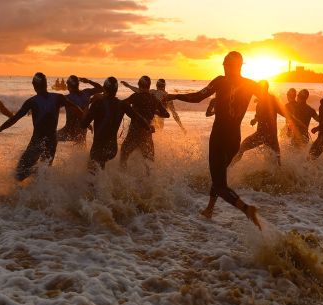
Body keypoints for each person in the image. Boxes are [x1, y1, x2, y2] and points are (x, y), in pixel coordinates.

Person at [167, 51, 262, 228]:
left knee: (219, 184)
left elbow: (196, 97)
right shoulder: (251, 84)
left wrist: (174, 96)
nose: (224, 67)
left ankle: (247, 209)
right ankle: (209, 209)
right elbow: (269, 100)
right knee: (219, 177)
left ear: (231, 66)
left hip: (219, 137)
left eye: (225, 64)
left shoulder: (220, 81)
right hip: (234, 139)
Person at [0, 72, 84, 181]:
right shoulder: (58, 97)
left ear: (34, 85)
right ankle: (44, 194)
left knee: (19, 173)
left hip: (37, 140)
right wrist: (85, 124)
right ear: (45, 84)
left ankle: (19, 195)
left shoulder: (32, 102)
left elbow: (15, 118)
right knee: (44, 172)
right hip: (52, 141)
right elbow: (77, 109)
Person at [81, 77, 137, 171]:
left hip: (98, 148)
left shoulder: (98, 103)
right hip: (112, 149)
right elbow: (137, 118)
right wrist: (148, 126)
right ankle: (109, 184)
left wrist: (87, 104)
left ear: (104, 88)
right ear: (116, 90)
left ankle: (102, 185)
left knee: (92, 176)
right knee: (100, 169)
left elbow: (83, 124)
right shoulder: (122, 104)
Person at [119, 76, 170, 170]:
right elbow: (166, 114)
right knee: (149, 164)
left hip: (133, 133)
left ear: (139, 85)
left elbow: (121, 104)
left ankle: (122, 179)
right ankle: (149, 183)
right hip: (147, 134)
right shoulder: (154, 99)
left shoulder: (136, 97)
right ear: (149, 86)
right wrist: (154, 111)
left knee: (123, 157)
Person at [232, 80, 283, 165]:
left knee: (243, 147)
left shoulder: (271, 99)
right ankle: (229, 168)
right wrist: (255, 119)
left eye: (258, 88)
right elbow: (261, 114)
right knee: (277, 160)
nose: (256, 90)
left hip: (266, 135)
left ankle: (229, 168)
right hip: (265, 135)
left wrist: (295, 121)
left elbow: (283, 112)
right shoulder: (261, 100)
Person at [121, 78, 186, 132]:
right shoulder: (168, 97)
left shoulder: (153, 92)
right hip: (160, 122)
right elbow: (174, 114)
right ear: (164, 86)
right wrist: (182, 127)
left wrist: (128, 86)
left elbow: (140, 91)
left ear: (156, 85)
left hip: (150, 119)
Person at [57, 75, 102, 145]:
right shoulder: (86, 93)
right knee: (81, 150)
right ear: (78, 85)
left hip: (69, 130)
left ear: (69, 86)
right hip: (82, 130)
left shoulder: (67, 98)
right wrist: (89, 81)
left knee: (50, 138)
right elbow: (101, 89)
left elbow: (53, 106)